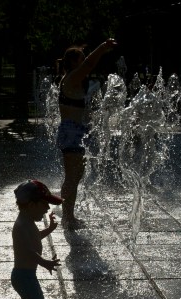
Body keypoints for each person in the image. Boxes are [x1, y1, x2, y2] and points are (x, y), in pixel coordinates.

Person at [0, 180, 62, 299]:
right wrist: (45, 262)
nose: (47, 208)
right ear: (31, 205)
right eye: (44, 204)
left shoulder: (27, 223)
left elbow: (35, 238)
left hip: (25, 274)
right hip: (23, 276)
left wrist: (50, 230)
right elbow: (28, 251)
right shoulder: (21, 225)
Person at [56, 38, 117, 228]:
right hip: (71, 132)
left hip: (77, 132)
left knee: (76, 175)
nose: (84, 63)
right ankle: (67, 218)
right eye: (80, 59)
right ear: (73, 63)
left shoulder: (73, 80)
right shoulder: (72, 77)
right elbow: (90, 64)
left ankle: (69, 214)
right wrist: (103, 47)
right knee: (72, 177)